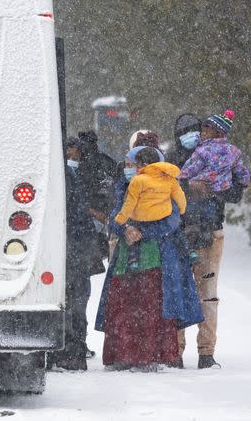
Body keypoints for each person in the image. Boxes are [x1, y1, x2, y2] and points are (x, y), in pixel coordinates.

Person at [96, 145, 202, 370]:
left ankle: (150, 356)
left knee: (150, 306)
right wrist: (125, 229)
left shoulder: (165, 185)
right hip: (126, 259)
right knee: (124, 306)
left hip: (157, 257)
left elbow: (173, 221)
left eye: (130, 165)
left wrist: (142, 232)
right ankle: (124, 356)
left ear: (143, 166)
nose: (127, 169)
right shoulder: (125, 186)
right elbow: (115, 217)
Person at [177, 109, 250, 369]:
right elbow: (241, 180)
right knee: (194, 291)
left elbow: (182, 178)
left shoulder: (197, 155)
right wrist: (223, 186)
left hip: (199, 231)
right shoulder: (231, 152)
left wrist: (201, 189)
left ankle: (202, 352)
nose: (195, 135)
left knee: (199, 293)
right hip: (187, 232)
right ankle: (186, 351)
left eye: (201, 130)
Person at [48, 142, 105, 371]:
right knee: (77, 300)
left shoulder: (58, 175)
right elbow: (79, 212)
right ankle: (75, 352)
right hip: (76, 246)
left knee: (66, 300)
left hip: (64, 247)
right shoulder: (69, 175)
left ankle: (62, 352)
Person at [114, 148, 187, 271]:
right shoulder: (169, 178)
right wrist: (182, 209)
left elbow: (129, 204)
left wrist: (121, 220)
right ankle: (188, 251)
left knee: (135, 237)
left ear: (143, 165)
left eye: (133, 165)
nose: (133, 170)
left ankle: (133, 259)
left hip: (143, 221)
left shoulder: (137, 180)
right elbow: (180, 196)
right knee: (179, 234)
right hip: (162, 216)